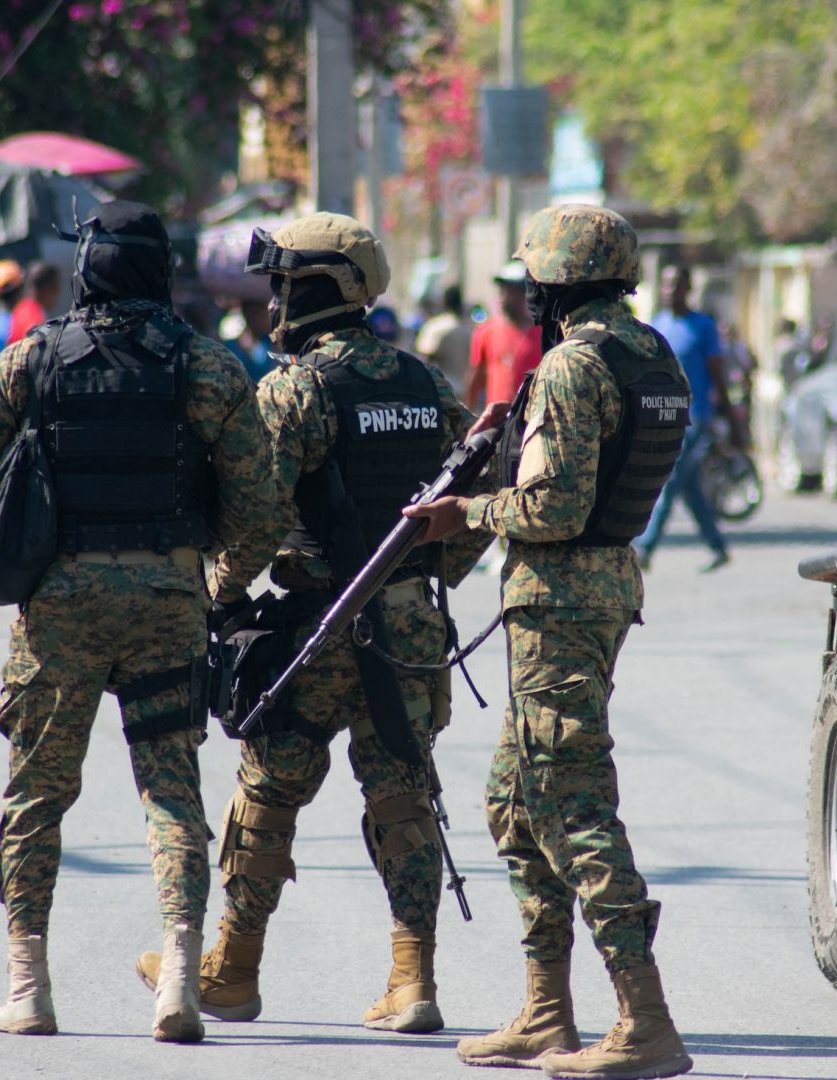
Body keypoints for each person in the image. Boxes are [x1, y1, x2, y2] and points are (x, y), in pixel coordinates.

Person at [0, 200, 275, 1044]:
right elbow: (260, 511)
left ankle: (28, 987)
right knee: (171, 793)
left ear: (85, 271)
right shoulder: (209, 367)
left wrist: (12, 532)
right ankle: (181, 979)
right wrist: (214, 579)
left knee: (37, 794)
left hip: (59, 611)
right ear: (163, 272)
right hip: (168, 604)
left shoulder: (33, 358)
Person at [134, 211, 481, 1035]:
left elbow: (252, 516)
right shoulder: (424, 383)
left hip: (318, 633)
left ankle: (231, 971)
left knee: (266, 792)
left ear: (313, 287)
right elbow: (471, 508)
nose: (274, 299)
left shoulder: (294, 390)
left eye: (283, 283)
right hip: (409, 631)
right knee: (404, 797)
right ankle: (413, 982)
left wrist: (218, 594)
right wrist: (423, 584)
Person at [405, 204, 693, 1080]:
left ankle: (645, 1019)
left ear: (556, 284)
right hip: (599, 592)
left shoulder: (574, 365)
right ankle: (546, 1013)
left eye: (536, 279)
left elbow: (552, 509)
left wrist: (464, 513)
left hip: (560, 604)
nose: (528, 293)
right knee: (514, 799)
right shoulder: (651, 354)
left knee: (572, 804)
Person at [632, 263, 731, 573]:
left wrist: (729, 414)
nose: (670, 291)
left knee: (669, 479)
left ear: (688, 289)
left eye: (677, 284)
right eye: (666, 284)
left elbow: (717, 373)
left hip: (696, 416)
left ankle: (645, 548)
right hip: (664, 416)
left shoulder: (703, 326)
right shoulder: (658, 324)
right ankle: (717, 546)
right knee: (688, 488)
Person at [464, 261, 541, 411]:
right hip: (496, 421)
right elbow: (475, 378)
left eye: (512, 291)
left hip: (529, 418)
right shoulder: (486, 331)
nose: (506, 297)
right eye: (503, 291)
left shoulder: (542, 333)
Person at [415, 283, 472, 391]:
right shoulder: (468, 329)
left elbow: (423, 361)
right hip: (464, 390)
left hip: (441, 392)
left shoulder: (435, 327)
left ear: (443, 302)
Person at [7, 260, 61, 344]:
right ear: (48, 288)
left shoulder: (21, 307)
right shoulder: (33, 318)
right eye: (55, 286)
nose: (58, 291)